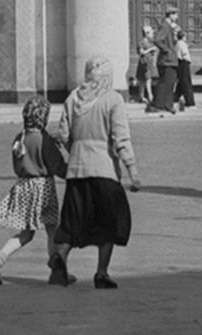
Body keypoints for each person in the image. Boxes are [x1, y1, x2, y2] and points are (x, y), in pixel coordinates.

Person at [50, 56, 140, 289]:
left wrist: (76, 151)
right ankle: (101, 272)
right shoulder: (113, 100)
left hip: (77, 171)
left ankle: (60, 258)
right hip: (104, 170)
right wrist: (132, 170)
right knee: (108, 222)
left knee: (72, 221)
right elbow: (121, 139)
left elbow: (63, 135)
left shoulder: (72, 98)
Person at [0, 97, 66, 284]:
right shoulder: (44, 140)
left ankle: (0, 257)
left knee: (26, 233)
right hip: (43, 189)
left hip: (24, 186)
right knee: (53, 229)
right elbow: (58, 167)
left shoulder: (20, 138)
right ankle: (56, 271)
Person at [149, 12, 181, 115]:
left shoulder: (169, 27)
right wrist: (166, 50)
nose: (176, 17)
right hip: (167, 60)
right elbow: (157, 39)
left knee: (170, 83)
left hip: (170, 60)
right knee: (165, 83)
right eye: (175, 15)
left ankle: (168, 105)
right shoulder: (165, 26)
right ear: (170, 15)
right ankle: (157, 104)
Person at [134, 24, 159, 109]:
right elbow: (141, 52)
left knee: (143, 80)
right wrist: (150, 49)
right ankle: (150, 96)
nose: (152, 34)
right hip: (144, 63)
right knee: (147, 80)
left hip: (148, 63)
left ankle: (141, 96)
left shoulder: (150, 42)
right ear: (147, 33)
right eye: (151, 33)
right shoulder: (142, 42)